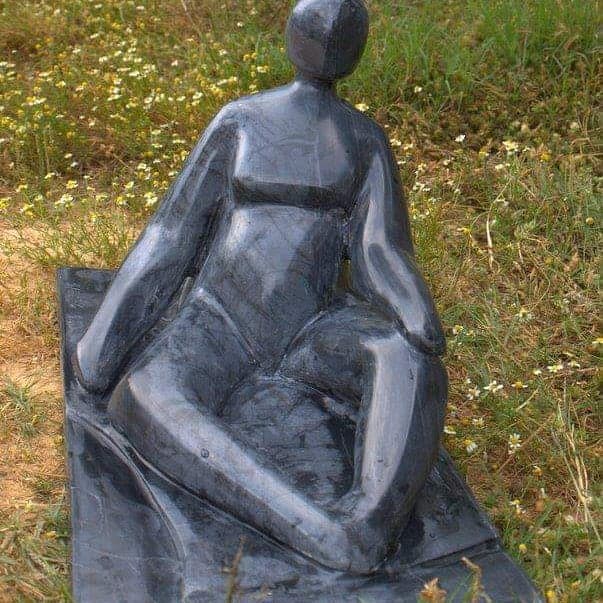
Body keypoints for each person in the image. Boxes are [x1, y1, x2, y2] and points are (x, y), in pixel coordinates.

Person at [74, 0, 447, 573]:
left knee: (405, 359)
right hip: (220, 319)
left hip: (310, 329)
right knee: (147, 398)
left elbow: (379, 249)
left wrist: (413, 308)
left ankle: (368, 521)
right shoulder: (242, 122)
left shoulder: (364, 141)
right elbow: (173, 233)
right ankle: (317, 530)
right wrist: (102, 346)